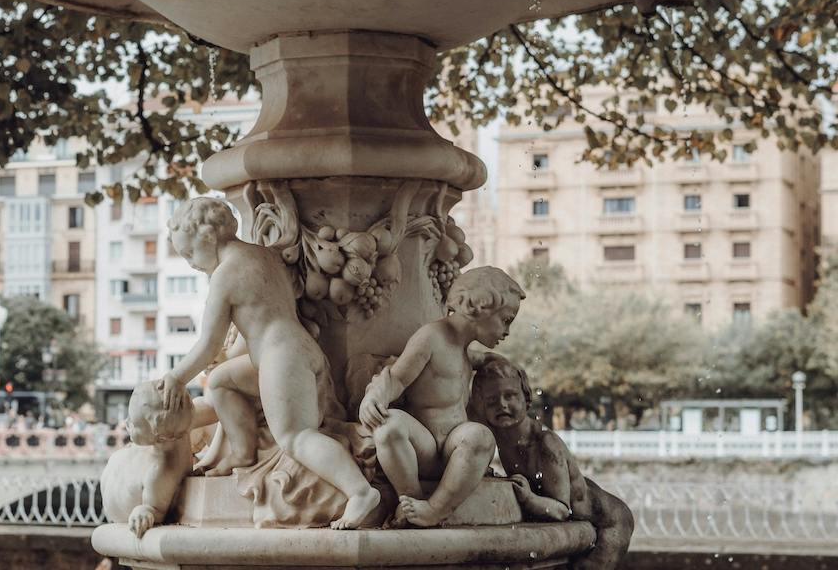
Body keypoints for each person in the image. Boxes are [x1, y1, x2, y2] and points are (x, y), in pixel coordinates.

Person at [159, 197, 381, 530]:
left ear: (207, 237)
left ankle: (360, 492)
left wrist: (176, 377)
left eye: (189, 253)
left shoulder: (225, 276)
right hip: (293, 349)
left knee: (295, 436)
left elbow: (209, 344)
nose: (190, 263)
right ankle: (243, 453)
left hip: (283, 358)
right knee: (221, 381)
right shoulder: (262, 255)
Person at [358, 266, 525, 527]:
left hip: (456, 450)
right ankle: (410, 499)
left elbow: (481, 359)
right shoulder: (431, 337)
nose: (507, 332)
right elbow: (399, 378)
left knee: (480, 437)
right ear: (480, 306)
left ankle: (436, 510)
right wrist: (374, 396)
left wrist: (500, 362)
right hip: (421, 447)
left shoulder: (465, 351)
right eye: (506, 320)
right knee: (388, 426)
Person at [469, 357, 633, 570]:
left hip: (610, 522)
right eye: (492, 400)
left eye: (510, 396)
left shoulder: (545, 445)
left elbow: (562, 510)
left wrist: (528, 498)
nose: (502, 405)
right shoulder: (498, 430)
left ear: (526, 398)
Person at [100, 379, 195, 538]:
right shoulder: (159, 470)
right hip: (117, 498)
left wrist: (146, 510)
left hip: (117, 484)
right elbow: (154, 509)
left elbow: (154, 509)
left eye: (134, 424)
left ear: (159, 436)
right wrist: (145, 510)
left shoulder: (160, 470)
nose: (126, 423)